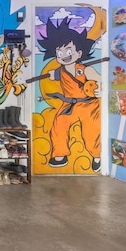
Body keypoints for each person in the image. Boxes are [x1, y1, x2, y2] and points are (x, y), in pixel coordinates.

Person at [38, 17, 102, 172]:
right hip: (70, 105)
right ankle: (60, 155)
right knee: (59, 124)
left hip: (90, 104)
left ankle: (96, 156)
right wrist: (52, 75)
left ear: (79, 53)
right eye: (59, 52)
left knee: (91, 131)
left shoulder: (86, 69)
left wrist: (99, 89)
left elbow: (99, 81)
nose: (63, 54)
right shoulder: (61, 71)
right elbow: (54, 76)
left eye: (68, 51)